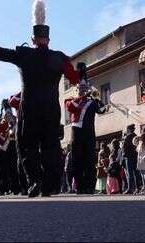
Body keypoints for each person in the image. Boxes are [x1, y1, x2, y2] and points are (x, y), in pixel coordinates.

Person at [0, 0, 79, 197]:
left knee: (27, 147)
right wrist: (80, 73)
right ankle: (50, 185)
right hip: (50, 108)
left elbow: (2, 54)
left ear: (32, 39)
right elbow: (74, 78)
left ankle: (34, 182)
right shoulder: (60, 58)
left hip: (29, 108)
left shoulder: (25, 54)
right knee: (50, 146)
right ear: (48, 39)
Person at [65, 66, 108, 194]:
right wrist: (84, 98)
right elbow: (71, 107)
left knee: (89, 160)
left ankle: (90, 186)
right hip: (76, 133)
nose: (83, 91)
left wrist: (96, 99)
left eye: (85, 88)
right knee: (77, 160)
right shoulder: (72, 100)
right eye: (81, 89)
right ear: (77, 89)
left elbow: (102, 110)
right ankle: (80, 186)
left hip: (89, 134)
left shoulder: (92, 102)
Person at [122, 124, 138, 194]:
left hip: (128, 157)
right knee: (136, 172)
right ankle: (137, 187)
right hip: (135, 156)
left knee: (130, 173)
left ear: (129, 129)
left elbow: (124, 148)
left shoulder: (127, 137)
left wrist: (124, 155)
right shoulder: (136, 136)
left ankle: (130, 188)